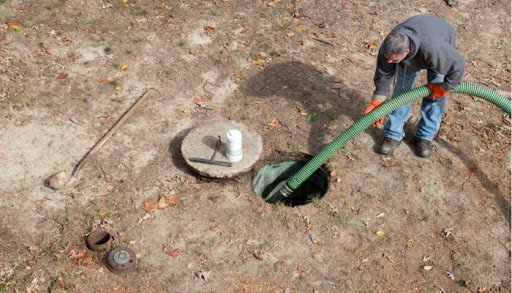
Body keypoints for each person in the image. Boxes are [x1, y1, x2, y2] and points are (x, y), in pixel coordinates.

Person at [364, 15, 465, 158]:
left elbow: (458, 65)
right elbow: (384, 72)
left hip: (438, 38)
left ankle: (425, 136)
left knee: (435, 96)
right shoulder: (390, 47)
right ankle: (393, 134)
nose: (388, 61)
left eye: (393, 59)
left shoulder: (435, 48)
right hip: (417, 45)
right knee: (401, 92)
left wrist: (444, 87)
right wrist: (378, 99)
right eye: (388, 58)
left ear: (406, 52)